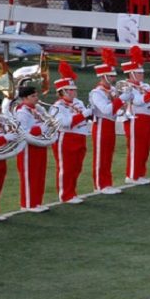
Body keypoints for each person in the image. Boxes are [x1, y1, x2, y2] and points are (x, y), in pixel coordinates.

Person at [49, 62, 90, 205]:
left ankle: (72, 192)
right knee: (66, 168)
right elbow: (64, 123)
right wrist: (84, 115)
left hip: (80, 137)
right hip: (66, 138)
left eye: (74, 89)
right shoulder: (57, 107)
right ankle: (65, 194)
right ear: (63, 91)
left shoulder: (78, 102)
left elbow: (85, 116)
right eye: (71, 90)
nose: (74, 92)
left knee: (77, 167)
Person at [119, 47, 150, 185]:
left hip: (149, 117)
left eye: (142, 72)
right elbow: (138, 101)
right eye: (138, 73)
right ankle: (132, 175)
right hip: (135, 118)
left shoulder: (145, 85)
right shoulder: (126, 87)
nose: (142, 75)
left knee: (146, 146)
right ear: (131, 73)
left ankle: (140, 173)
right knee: (136, 147)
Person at [89, 49, 123, 195]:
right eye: (110, 76)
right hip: (102, 124)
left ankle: (107, 183)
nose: (113, 78)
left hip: (110, 124)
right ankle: (99, 184)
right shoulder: (97, 92)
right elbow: (106, 109)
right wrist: (121, 100)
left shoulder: (113, 89)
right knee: (101, 155)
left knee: (108, 155)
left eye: (114, 76)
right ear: (103, 76)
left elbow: (115, 109)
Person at [13, 86, 49, 213]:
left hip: (39, 144)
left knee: (39, 174)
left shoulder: (35, 110)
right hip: (28, 147)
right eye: (33, 96)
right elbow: (24, 131)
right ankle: (28, 203)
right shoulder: (22, 112)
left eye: (36, 95)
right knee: (30, 175)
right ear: (24, 98)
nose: (36, 98)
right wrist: (43, 128)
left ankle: (37, 201)